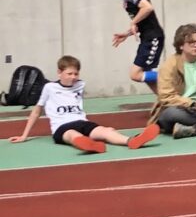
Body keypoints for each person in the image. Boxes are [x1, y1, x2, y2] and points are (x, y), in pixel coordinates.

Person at [8, 55, 160, 153]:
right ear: (59, 73)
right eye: (69, 74)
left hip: (82, 121)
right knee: (72, 135)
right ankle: (87, 144)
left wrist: (104, 128)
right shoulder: (49, 88)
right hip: (61, 127)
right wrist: (24, 135)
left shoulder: (80, 85)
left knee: (105, 132)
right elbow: (37, 111)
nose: (73, 77)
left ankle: (131, 141)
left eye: (76, 74)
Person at [106, 0, 164, 94]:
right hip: (147, 37)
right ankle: (165, 101)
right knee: (146, 75)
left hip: (152, 37)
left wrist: (133, 23)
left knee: (136, 74)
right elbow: (143, 20)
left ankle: (170, 77)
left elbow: (147, 7)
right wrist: (126, 34)